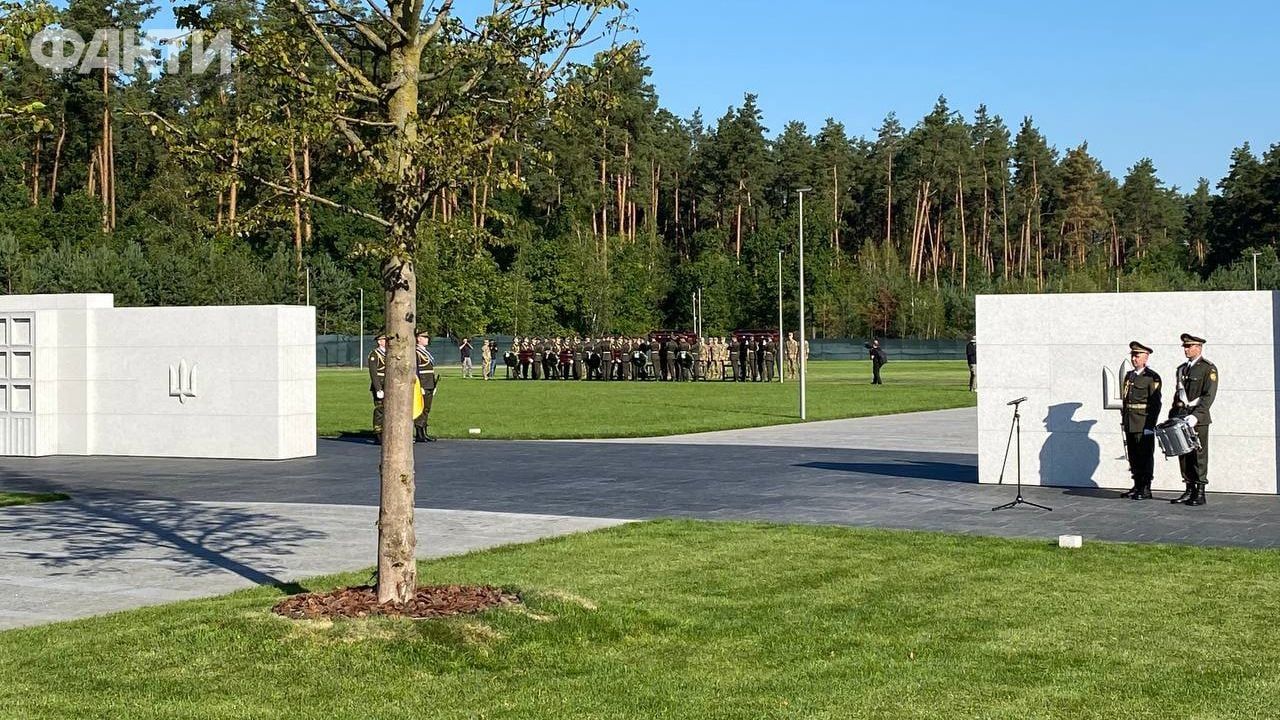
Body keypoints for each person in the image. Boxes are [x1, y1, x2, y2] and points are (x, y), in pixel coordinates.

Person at [1169, 333, 1218, 507]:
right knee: (1184, 454)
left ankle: (1200, 491)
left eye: (1189, 346)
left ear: (1198, 347)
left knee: (1198, 454)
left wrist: (1196, 416)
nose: (1186, 349)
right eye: (1185, 346)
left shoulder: (1208, 368)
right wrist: (1173, 415)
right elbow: (1178, 395)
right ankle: (1189, 489)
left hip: (1198, 418)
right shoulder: (1181, 369)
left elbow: (1208, 395)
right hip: (1181, 416)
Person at [1120, 340, 1161, 500]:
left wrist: (1150, 425)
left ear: (1146, 357)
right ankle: (1137, 484)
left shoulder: (1152, 377)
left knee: (1145, 455)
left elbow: (1155, 403)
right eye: (1133, 355)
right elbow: (1126, 400)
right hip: (1130, 421)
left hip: (1144, 422)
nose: (1134, 359)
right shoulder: (1129, 376)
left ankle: (1145, 487)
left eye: (1137, 356)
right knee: (1133, 454)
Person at [414, 330, 438, 442]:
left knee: (427, 408)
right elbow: (416, 370)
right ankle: (419, 432)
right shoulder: (416, 352)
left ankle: (424, 431)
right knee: (421, 408)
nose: (427, 339)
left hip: (429, 383)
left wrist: (433, 384)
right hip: (422, 384)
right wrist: (419, 386)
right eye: (424, 337)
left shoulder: (425, 352)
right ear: (418, 339)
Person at [367, 334, 387, 442]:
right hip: (380, 384)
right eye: (384, 339)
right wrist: (378, 388)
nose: (386, 341)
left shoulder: (388, 353)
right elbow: (373, 373)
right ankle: (378, 432)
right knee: (380, 409)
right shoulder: (374, 354)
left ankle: (385, 431)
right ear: (379, 341)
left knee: (387, 409)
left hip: (388, 385)